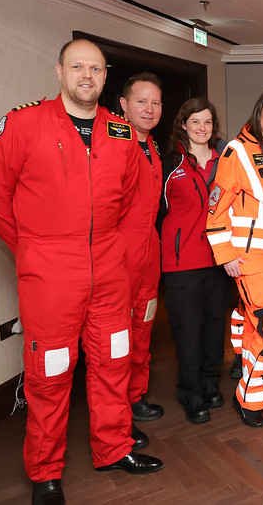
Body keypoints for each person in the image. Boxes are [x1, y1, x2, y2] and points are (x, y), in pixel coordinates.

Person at [0, 38, 163, 505]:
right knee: (51, 373)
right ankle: (45, 472)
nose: (87, 76)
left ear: (106, 76)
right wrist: (30, 250)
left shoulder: (121, 131)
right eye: (78, 67)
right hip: (50, 271)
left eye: (96, 69)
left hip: (109, 267)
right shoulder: (23, 124)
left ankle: (114, 448)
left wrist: (119, 256)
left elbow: (131, 202)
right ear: (59, 71)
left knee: (113, 360)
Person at [207, 90, 263, 428]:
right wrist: (225, 254)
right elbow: (216, 209)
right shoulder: (236, 152)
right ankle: (247, 400)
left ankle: (260, 384)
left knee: (257, 330)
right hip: (251, 262)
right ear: (259, 112)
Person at [158, 98, 231, 425]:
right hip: (181, 262)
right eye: (196, 122)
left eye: (208, 122)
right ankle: (190, 391)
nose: (202, 128)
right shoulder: (169, 162)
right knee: (188, 331)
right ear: (183, 124)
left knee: (215, 327)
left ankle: (210, 383)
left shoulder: (226, 161)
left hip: (219, 259)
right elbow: (156, 213)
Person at [118, 72, 165, 450]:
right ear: (124, 104)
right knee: (115, 340)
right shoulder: (115, 145)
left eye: (155, 103)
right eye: (141, 101)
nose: (149, 109)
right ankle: (116, 412)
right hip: (119, 259)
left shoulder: (154, 148)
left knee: (143, 327)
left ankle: (136, 396)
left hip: (150, 255)